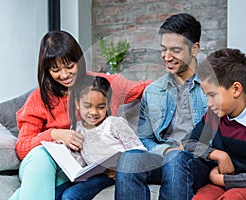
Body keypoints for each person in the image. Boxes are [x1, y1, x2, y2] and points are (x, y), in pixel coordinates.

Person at [9, 30, 150, 200]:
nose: (64, 75)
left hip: (75, 168)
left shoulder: (99, 85)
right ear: (46, 70)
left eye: (70, 66)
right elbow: (22, 147)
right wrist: (54, 134)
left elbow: (143, 88)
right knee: (41, 155)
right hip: (40, 164)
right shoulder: (39, 98)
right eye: (55, 70)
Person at [115, 13, 208, 200]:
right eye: (163, 49)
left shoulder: (214, 87)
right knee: (129, 158)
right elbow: (144, 139)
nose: (166, 56)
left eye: (175, 50)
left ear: (194, 49)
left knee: (176, 160)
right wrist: (166, 151)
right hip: (163, 158)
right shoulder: (153, 91)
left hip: (199, 162)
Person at [181, 48, 246, 199]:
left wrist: (220, 179)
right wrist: (218, 155)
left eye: (212, 95)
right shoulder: (214, 116)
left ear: (235, 89)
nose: (208, 103)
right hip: (224, 184)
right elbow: (189, 142)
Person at [55, 75, 147, 199]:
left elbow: (138, 150)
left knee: (70, 196)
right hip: (93, 174)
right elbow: (81, 161)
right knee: (55, 193)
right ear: (77, 104)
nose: (94, 112)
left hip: (114, 174)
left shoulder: (114, 123)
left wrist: (121, 170)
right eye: (88, 106)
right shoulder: (76, 128)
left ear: (108, 105)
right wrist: (65, 150)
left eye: (101, 107)